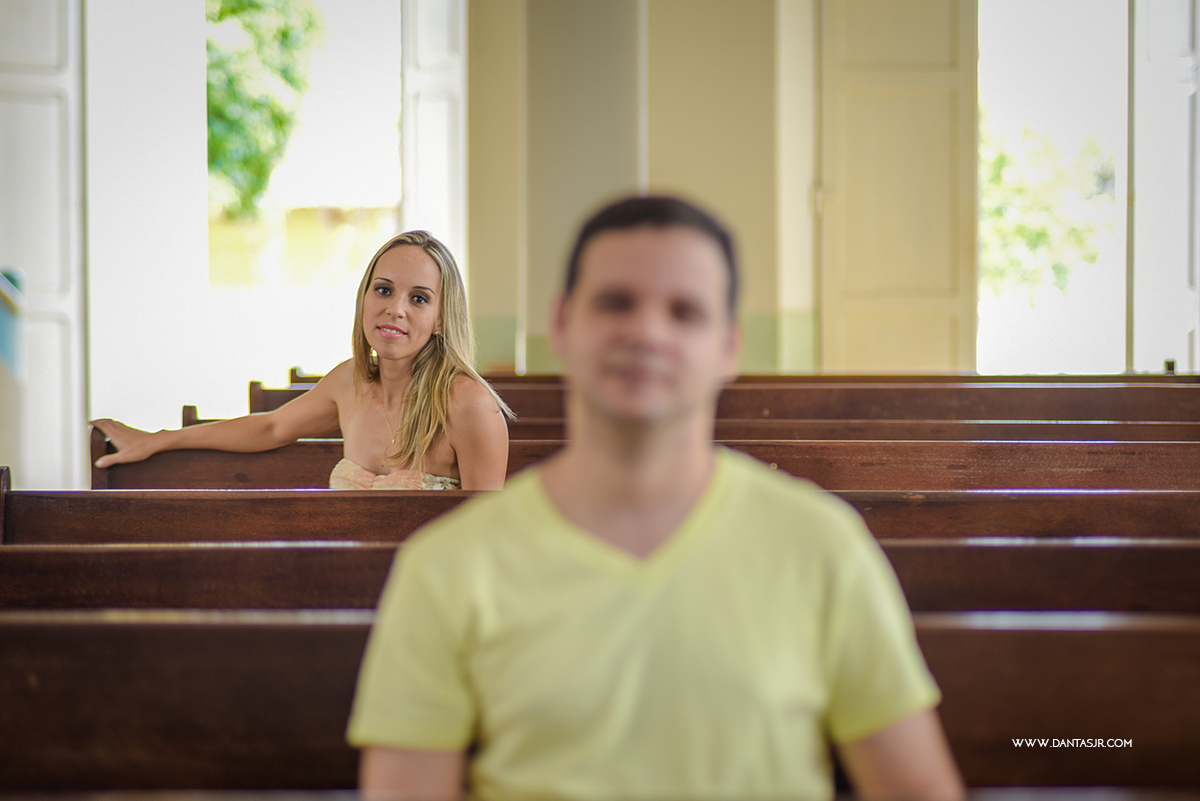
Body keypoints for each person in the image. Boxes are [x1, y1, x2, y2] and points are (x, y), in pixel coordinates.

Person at [346, 196, 965, 800]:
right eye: (616, 303)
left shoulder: (822, 544)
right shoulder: (446, 565)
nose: (645, 331)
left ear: (728, 347)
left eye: (685, 312)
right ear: (562, 325)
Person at [91, 231, 511, 491]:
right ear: (364, 298)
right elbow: (272, 426)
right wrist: (158, 439)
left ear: (441, 319)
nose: (395, 309)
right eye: (383, 290)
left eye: (418, 298)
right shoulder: (348, 383)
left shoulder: (467, 403)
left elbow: (486, 537)